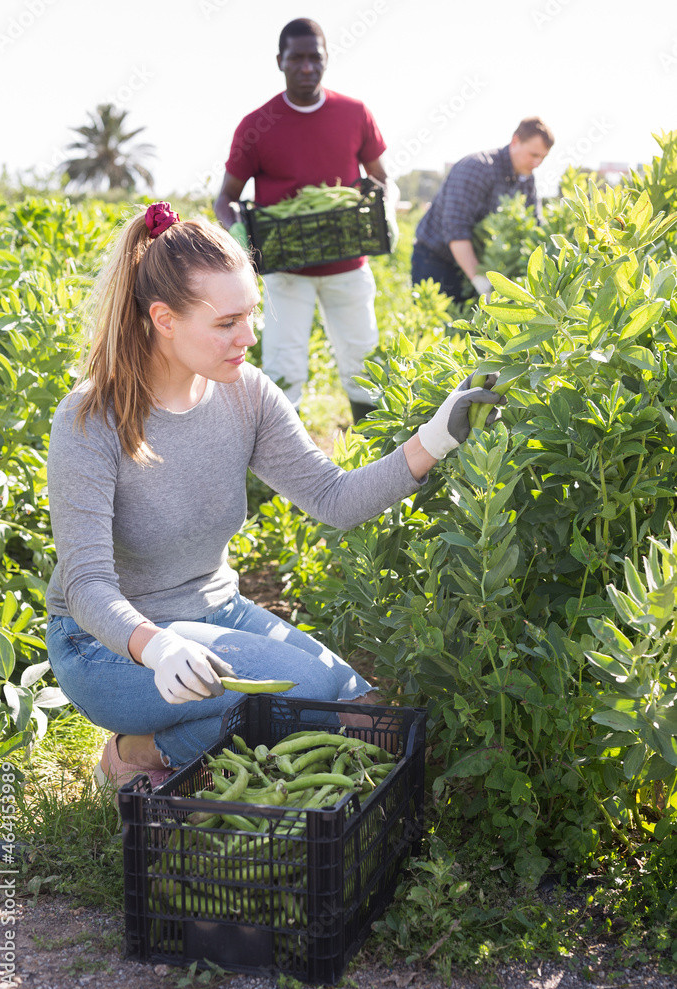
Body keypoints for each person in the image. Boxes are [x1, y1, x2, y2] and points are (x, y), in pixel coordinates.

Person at [43, 202, 503, 793]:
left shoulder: (247, 395)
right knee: (302, 694)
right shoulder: (91, 416)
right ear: (163, 318)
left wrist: (434, 439)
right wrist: (156, 647)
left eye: (252, 314)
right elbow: (86, 584)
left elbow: (332, 497)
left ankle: (174, 747)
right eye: (227, 322)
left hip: (215, 611)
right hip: (109, 648)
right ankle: (140, 752)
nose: (249, 336)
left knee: (360, 710)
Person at [214, 17, 396, 425]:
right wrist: (238, 233)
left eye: (315, 57)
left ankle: (373, 451)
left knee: (363, 358)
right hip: (286, 266)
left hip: (348, 264)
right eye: (297, 58)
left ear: (327, 58)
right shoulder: (256, 126)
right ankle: (282, 465)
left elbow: (382, 178)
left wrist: (387, 207)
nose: (307, 66)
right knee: (284, 364)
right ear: (280, 61)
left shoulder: (354, 113)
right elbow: (225, 198)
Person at [411, 117, 555, 303]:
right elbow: (456, 231)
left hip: (479, 263)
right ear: (515, 141)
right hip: (438, 260)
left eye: (543, 158)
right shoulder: (477, 168)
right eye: (534, 155)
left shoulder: (527, 180)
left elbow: (534, 226)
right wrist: (482, 284)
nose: (538, 163)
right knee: (437, 326)